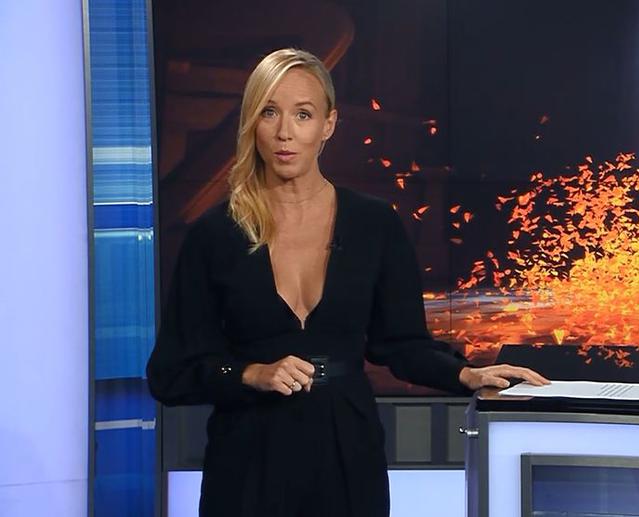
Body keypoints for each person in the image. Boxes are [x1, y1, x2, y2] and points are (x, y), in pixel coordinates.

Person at [146, 48, 549, 517]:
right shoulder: (214, 235)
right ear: (251, 123)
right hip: (246, 455)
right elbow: (170, 373)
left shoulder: (375, 224)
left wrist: (466, 374)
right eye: (269, 112)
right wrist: (250, 374)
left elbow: (401, 344)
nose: (284, 132)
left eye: (303, 114)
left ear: (328, 125)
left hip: (346, 451)